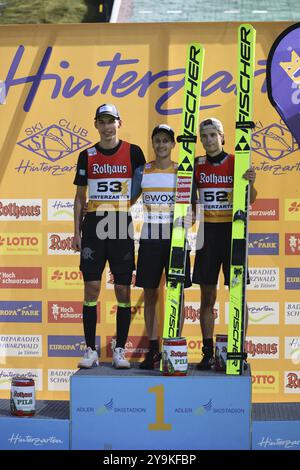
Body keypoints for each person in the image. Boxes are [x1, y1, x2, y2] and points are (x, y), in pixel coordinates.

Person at [72, 104, 145, 369]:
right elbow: (80, 197)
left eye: (110, 121)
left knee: (123, 289)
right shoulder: (86, 155)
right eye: (101, 122)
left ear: (119, 123)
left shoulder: (133, 152)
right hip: (93, 226)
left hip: (119, 226)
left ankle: (120, 350)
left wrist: (127, 204)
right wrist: (75, 231)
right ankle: (90, 349)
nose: (106, 127)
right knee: (91, 288)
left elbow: (141, 185)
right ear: (96, 125)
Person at [192, 118, 257, 370]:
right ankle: (208, 352)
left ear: (222, 137)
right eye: (204, 136)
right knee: (207, 295)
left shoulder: (236, 161)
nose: (208, 140)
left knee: (238, 295)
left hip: (232, 232)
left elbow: (250, 198)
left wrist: (250, 181)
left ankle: (238, 349)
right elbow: (188, 198)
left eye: (212, 135)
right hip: (206, 233)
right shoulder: (196, 164)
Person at [132, 124, 195, 370]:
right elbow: (127, 200)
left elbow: (193, 204)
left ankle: (173, 346)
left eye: (165, 141)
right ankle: (154, 348)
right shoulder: (142, 171)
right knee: (150, 293)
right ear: (153, 143)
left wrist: (191, 218)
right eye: (157, 140)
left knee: (177, 293)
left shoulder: (183, 171)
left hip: (176, 237)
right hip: (150, 237)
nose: (161, 145)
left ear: (172, 145)